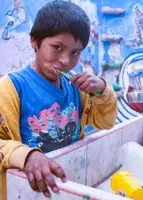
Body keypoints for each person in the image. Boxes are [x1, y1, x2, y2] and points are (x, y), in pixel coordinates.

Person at [0, 1, 117, 199]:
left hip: (65, 187)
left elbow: (105, 122)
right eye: (57, 47)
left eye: (75, 52)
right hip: (23, 192)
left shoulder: (76, 88)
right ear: (34, 42)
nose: (65, 60)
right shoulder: (10, 88)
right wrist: (27, 156)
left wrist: (103, 90)